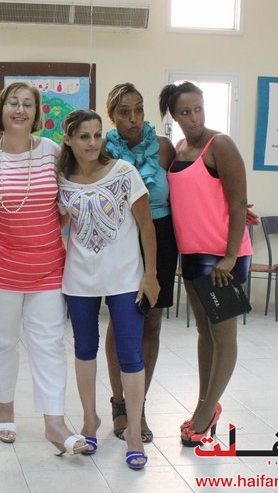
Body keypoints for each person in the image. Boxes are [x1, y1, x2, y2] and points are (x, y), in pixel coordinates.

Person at [0, 81, 89, 456]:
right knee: (1, 343)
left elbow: (64, 207)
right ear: (1, 109)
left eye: (28, 104)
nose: (20, 109)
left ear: (36, 113)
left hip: (47, 269)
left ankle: (54, 422)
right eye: (13, 103)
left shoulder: (52, 152)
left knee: (49, 345)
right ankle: (5, 408)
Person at [57, 109, 159, 469]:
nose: (92, 142)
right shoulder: (62, 180)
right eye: (84, 136)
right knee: (84, 349)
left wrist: (151, 275)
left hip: (125, 279)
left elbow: (147, 226)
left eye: (97, 135)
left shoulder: (124, 173)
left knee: (130, 354)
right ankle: (90, 419)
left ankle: (133, 431)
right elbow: (59, 222)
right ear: (69, 139)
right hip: (80, 279)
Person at [159, 81, 252, 447]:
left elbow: (238, 202)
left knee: (223, 336)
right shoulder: (180, 148)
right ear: (173, 116)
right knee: (204, 331)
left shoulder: (221, 144)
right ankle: (204, 404)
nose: (194, 117)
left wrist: (229, 256)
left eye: (198, 108)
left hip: (223, 259)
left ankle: (207, 411)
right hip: (193, 255)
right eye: (185, 112)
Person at [102, 83, 177, 443]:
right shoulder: (103, 151)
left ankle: (138, 405)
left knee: (152, 323)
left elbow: (192, 181)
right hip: (121, 239)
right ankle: (119, 404)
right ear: (111, 117)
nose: (133, 119)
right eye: (124, 112)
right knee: (121, 321)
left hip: (160, 237)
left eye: (138, 110)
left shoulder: (164, 147)